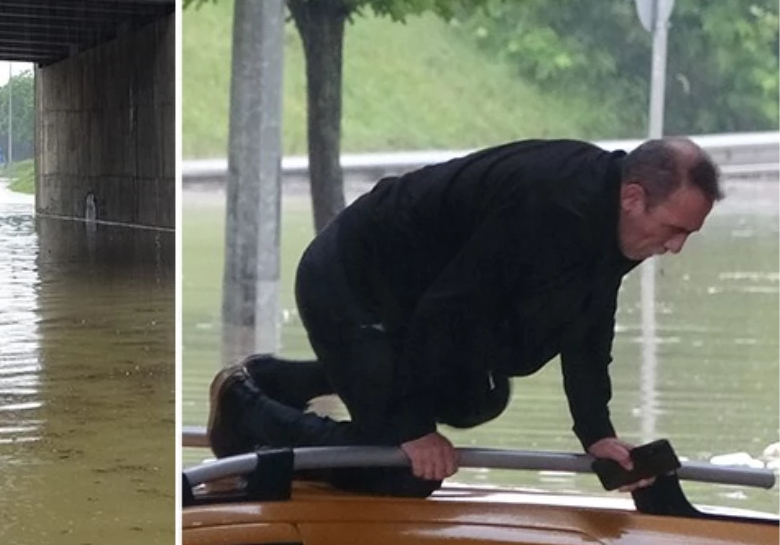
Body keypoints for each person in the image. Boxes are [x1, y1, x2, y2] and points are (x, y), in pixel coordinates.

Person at [207, 137, 723, 496]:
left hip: (415, 306)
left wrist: (596, 433)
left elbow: (589, 322)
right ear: (633, 197)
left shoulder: (612, 217)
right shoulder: (550, 206)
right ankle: (245, 404)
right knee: (406, 473)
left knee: (478, 397)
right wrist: (412, 429)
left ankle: (283, 379)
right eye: (674, 229)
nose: (675, 247)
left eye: (688, 235)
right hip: (352, 284)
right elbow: (449, 308)